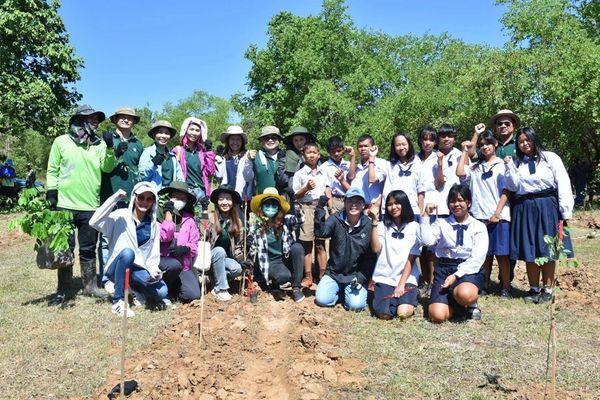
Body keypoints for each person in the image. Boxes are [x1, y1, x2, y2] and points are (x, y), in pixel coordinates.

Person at [45, 104, 116, 306]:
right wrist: (52, 191)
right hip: (65, 204)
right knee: (64, 249)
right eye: (92, 119)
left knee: (87, 248)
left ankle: (90, 287)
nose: (96, 122)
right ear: (79, 120)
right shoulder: (61, 142)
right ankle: (64, 289)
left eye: (97, 120)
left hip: (90, 205)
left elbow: (107, 167)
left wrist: (110, 148)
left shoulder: (99, 144)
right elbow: (52, 169)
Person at [503, 127, 574, 304]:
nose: (525, 144)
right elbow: (512, 186)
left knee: (547, 247)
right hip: (524, 207)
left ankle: (548, 289)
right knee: (530, 247)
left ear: (535, 139)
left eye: (528, 139)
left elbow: (563, 182)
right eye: (521, 141)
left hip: (547, 206)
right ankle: (534, 288)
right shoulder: (517, 162)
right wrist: (509, 167)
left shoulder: (550, 158)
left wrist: (565, 211)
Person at [89, 182, 169, 317]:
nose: (144, 202)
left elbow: (152, 255)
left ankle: (135, 289)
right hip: (117, 266)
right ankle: (118, 302)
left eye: (149, 199)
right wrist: (115, 198)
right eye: (141, 197)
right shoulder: (120, 216)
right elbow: (94, 222)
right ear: (134, 197)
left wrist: (154, 270)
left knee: (162, 292)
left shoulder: (154, 225)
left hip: (138, 269)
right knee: (127, 253)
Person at [421, 184, 488, 323]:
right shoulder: (441, 223)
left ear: (468, 203)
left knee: (466, 294)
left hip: (468, 269)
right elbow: (427, 241)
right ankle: (455, 304)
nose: (456, 204)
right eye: (452, 201)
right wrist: (426, 216)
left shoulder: (479, 227)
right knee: (437, 316)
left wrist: (456, 276)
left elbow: (477, 259)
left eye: (460, 200)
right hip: (444, 267)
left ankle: (470, 303)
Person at [457, 130, 511, 297]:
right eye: (481, 145)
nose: (485, 147)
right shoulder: (475, 166)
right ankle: (484, 284)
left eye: (488, 143)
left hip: (499, 216)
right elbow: (459, 173)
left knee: (502, 254)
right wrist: (466, 151)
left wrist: (497, 213)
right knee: (484, 254)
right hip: (479, 216)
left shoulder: (503, 165)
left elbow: (506, 190)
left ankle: (505, 287)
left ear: (495, 144)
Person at [98, 106, 144, 285]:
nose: (127, 120)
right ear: (116, 119)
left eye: (130, 118)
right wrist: (115, 151)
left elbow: (140, 170)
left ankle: (126, 278)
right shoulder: (106, 140)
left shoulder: (137, 144)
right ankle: (106, 278)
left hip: (132, 199)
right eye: (123, 117)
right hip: (110, 196)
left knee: (129, 238)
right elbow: (103, 166)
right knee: (106, 239)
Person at [314, 187, 376, 311]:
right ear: (345, 203)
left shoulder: (369, 226)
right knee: (322, 300)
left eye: (358, 201)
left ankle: (346, 292)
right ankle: (340, 290)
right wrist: (320, 208)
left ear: (363, 205)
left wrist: (361, 277)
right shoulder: (336, 219)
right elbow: (321, 232)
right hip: (334, 273)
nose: (354, 205)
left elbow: (371, 257)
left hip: (355, 276)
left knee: (355, 306)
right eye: (350, 201)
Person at [368, 190, 421, 320]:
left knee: (403, 313)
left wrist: (401, 284)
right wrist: (374, 221)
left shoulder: (415, 227)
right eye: (390, 204)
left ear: (405, 204)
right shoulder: (381, 226)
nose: (393, 207)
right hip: (385, 276)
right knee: (384, 314)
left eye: (397, 203)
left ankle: (408, 296)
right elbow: (375, 249)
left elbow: (412, 257)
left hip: (406, 278)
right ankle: (393, 298)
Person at [247, 187, 305, 302]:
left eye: (274, 205)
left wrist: (295, 202)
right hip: (271, 262)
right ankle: (274, 282)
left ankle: (296, 287)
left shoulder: (285, 220)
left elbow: (300, 219)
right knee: (284, 276)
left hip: (285, 257)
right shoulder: (256, 224)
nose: (270, 208)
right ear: (262, 207)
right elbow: (252, 249)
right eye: (267, 205)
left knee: (297, 248)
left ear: (278, 208)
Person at [292, 142, 329, 288]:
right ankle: (308, 276)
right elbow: (296, 195)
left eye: (314, 152)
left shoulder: (323, 172)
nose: (312, 155)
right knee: (307, 244)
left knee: (320, 243)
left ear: (319, 154)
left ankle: (323, 274)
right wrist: (306, 188)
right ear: (304, 155)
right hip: (306, 208)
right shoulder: (300, 174)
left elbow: (327, 190)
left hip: (320, 208)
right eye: (309, 152)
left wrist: (330, 207)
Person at [158, 181, 202, 303]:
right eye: (176, 196)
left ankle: (174, 289)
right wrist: (168, 214)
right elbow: (165, 236)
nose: (179, 201)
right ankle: (161, 290)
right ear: (169, 197)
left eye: (183, 198)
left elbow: (194, 244)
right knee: (173, 266)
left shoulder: (189, 220)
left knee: (193, 295)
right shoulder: (158, 216)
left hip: (183, 264)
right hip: (163, 262)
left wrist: (186, 249)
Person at [209, 185, 245, 301]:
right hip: (210, 258)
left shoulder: (237, 222)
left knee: (237, 269)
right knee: (219, 251)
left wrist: (241, 260)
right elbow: (202, 240)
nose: (225, 202)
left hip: (225, 259)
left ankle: (216, 282)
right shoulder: (210, 218)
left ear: (233, 202)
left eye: (228, 199)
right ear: (217, 202)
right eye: (221, 199)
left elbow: (238, 246)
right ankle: (222, 289)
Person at [173, 117, 216, 207]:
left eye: (197, 130)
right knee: (185, 220)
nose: (194, 133)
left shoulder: (202, 152)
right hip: (186, 192)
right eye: (191, 129)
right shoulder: (178, 150)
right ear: (185, 130)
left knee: (201, 220)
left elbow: (210, 171)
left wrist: (209, 152)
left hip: (202, 192)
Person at [383, 132, 421, 216]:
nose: (401, 147)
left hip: (413, 210)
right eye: (398, 145)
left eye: (404, 144)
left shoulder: (418, 164)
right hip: (394, 211)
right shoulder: (389, 165)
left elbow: (421, 191)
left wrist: (421, 213)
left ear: (409, 145)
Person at [139, 120, 184, 190]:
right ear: (154, 135)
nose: (163, 136)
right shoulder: (147, 152)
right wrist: (152, 164)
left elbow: (180, 178)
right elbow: (142, 177)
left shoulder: (172, 156)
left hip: (171, 193)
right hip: (153, 194)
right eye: (160, 132)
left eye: (167, 133)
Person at [215, 125, 253, 201]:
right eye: (232, 139)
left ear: (242, 141)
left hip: (242, 197)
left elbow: (249, 177)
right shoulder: (224, 157)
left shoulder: (247, 156)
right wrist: (218, 158)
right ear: (228, 141)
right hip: (227, 196)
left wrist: (248, 160)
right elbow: (219, 175)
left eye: (238, 139)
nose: (235, 142)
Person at [347, 134, 386, 207]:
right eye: (360, 146)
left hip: (375, 207)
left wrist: (371, 158)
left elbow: (372, 179)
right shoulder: (357, 167)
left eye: (366, 146)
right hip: (359, 208)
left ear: (373, 147)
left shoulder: (381, 164)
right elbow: (350, 177)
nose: (363, 149)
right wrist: (352, 156)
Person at [278, 126, 317, 199]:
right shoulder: (285, 156)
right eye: (295, 140)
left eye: (301, 139)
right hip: (292, 197)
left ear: (306, 140)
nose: (299, 143)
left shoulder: (314, 156)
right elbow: (282, 180)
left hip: (313, 196)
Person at [247, 126, 285, 195]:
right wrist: (248, 160)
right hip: (262, 201)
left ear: (279, 140)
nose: (270, 140)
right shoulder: (255, 157)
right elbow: (246, 177)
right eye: (266, 138)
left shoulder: (286, 156)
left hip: (284, 201)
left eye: (273, 138)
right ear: (262, 141)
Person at [322, 136, 353, 214]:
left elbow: (353, 180)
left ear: (343, 149)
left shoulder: (349, 164)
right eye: (332, 151)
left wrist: (352, 156)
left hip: (350, 200)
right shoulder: (324, 167)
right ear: (328, 151)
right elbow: (327, 188)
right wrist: (331, 207)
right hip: (335, 201)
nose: (336, 154)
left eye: (338, 151)